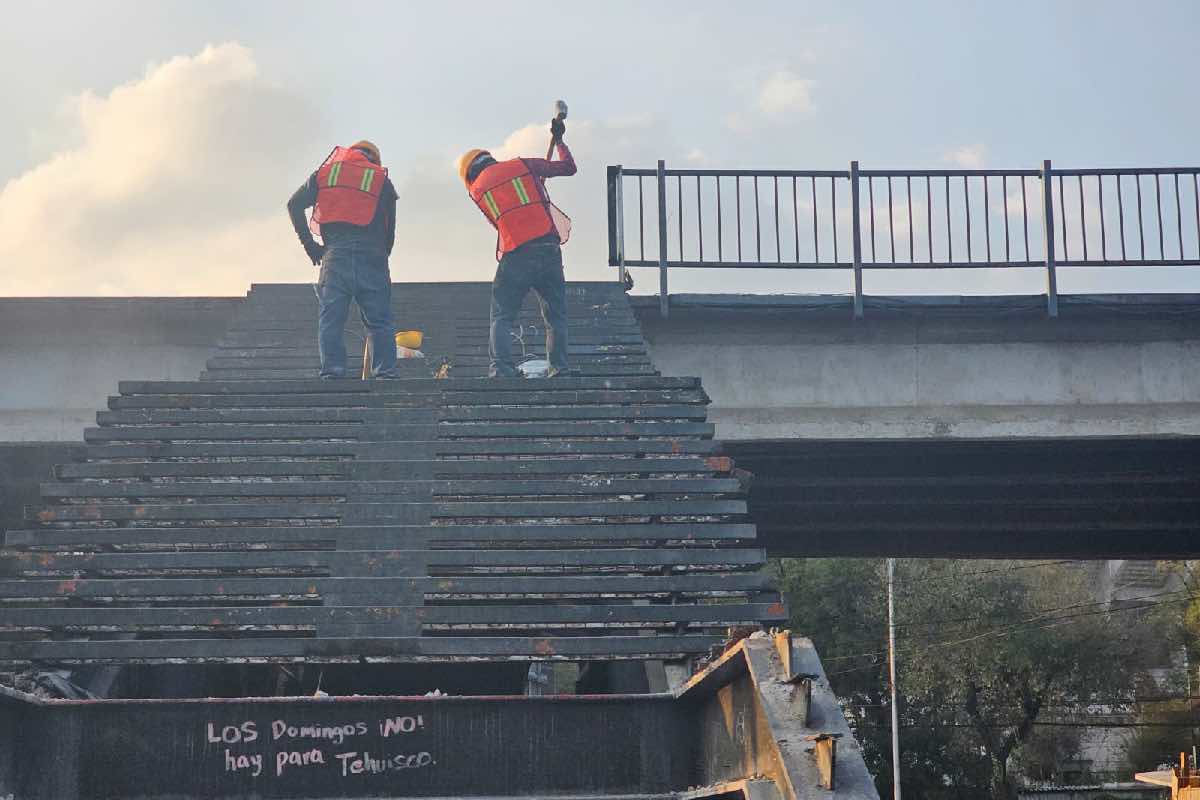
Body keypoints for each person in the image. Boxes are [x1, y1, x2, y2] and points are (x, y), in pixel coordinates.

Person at [457, 116, 575, 378]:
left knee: (502, 314)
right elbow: (568, 167)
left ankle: (501, 370)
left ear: (469, 175)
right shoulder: (523, 166)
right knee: (556, 316)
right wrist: (560, 141)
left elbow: (500, 225)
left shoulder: (478, 191)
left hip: (517, 253)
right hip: (548, 248)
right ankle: (560, 369)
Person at [287, 140, 400, 379]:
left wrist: (311, 247)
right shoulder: (381, 179)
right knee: (380, 322)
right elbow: (390, 231)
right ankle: (385, 375)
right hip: (373, 255)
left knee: (332, 319)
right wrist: (382, 257)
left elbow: (293, 204)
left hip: (335, 255)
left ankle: (332, 374)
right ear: (374, 159)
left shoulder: (328, 172)